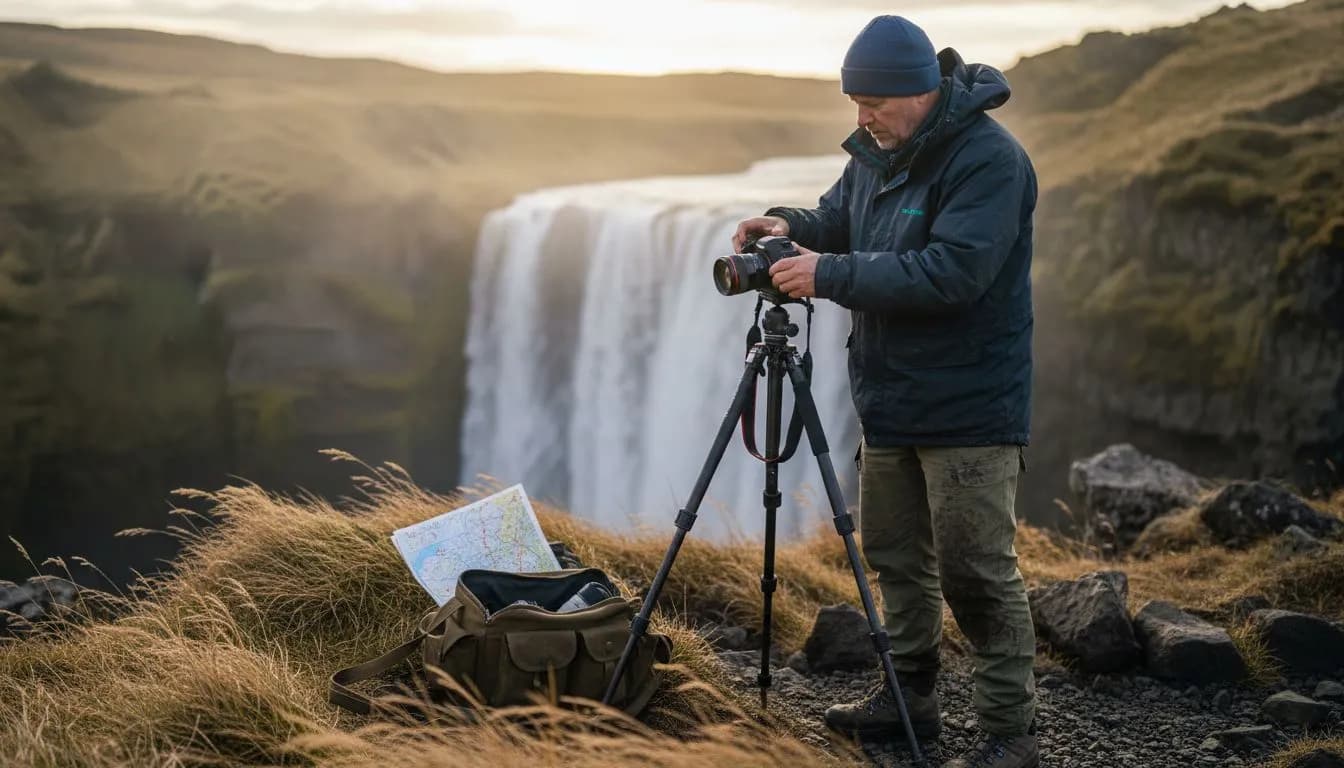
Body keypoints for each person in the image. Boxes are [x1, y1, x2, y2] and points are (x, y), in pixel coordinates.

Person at [733, 15, 1039, 768]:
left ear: (921, 92)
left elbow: (952, 273)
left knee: (976, 569)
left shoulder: (989, 161)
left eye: (871, 102)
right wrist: (790, 224)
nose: (860, 117)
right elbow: (841, 220)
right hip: (890, 396)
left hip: (970, 404)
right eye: (854, 102)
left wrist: (828, 275)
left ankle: (1010, 732)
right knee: (896, 556)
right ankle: (909, 701)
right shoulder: (878, 150)